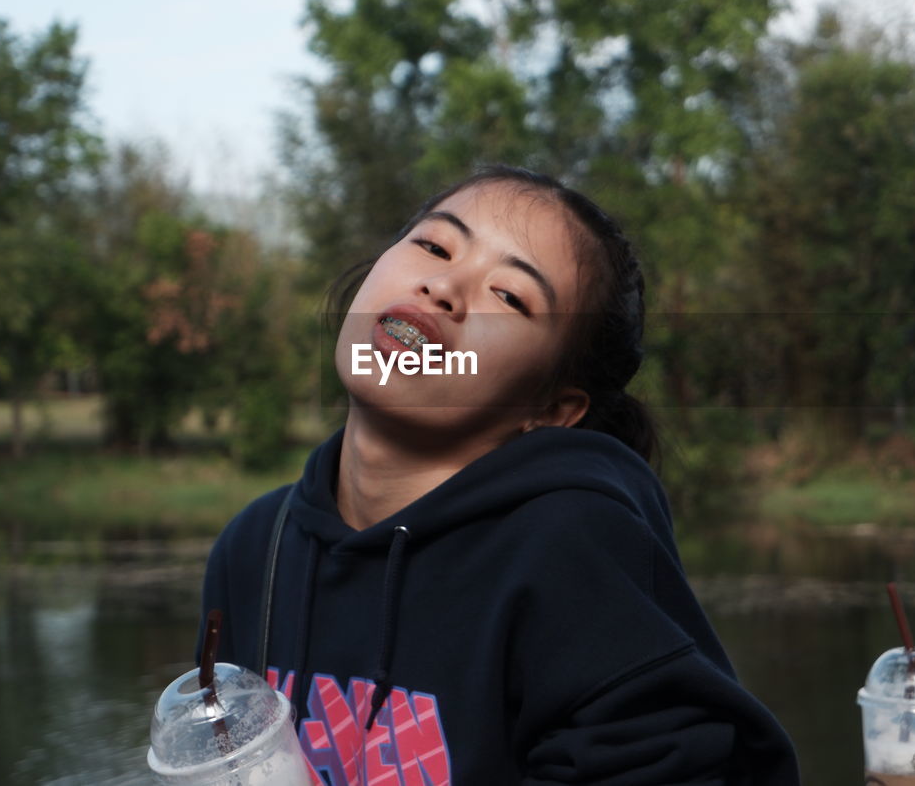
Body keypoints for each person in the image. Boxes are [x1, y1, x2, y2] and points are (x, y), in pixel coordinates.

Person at [197, 166, 801, 785]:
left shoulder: (571, 545)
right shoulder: (254, 548)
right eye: (434, 245)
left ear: (550, 410)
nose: (444, 286)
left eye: (509, 295)